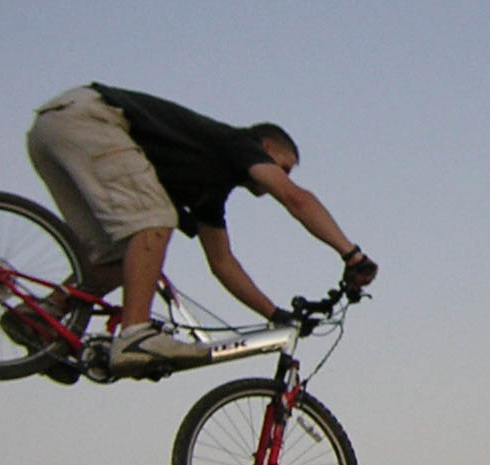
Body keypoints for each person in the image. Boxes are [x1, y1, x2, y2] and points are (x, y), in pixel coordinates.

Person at [19, 83, 378, 379]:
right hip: (90, 120)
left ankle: (40, 316)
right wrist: (352, 254)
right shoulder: (237, 144)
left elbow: (222, 262)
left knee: (121, 260)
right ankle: (134, 336)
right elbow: (295, 199)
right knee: (155, 221)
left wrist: (274, 314)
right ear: (266, 148)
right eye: (284, 167)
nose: (283, 177)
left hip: (51, 133)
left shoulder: (209, 188)